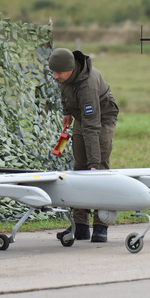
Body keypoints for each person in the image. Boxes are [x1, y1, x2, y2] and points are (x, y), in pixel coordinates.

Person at [48, 47, 119, 243]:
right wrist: (66, 111)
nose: (55, 76)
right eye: (53, 72)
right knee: (79, 169)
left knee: (99, 171)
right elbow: (66, 92)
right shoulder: (65, 76)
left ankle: (100, 226)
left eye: (58, 73)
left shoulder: (88, 86)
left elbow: (92, 128)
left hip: (102, 119)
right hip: (82, 117)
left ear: (70, 69)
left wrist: (94, 163)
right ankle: (80, 226)